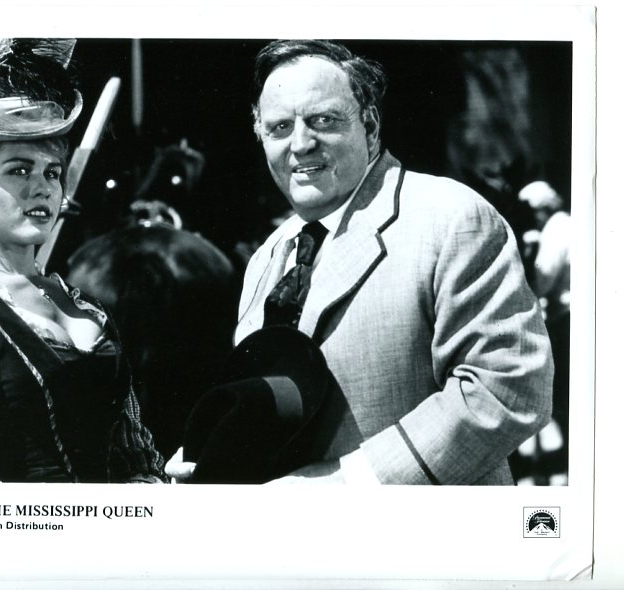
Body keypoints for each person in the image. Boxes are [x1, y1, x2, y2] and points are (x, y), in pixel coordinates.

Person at [168, 40, 554, 485]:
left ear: (369, 125)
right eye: (279, 128)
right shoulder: (267, 257)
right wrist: (212, 457)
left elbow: (506, 387)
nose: (301, 144)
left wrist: (345, 484)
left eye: (323, 120)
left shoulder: (451, 217)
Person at [0, 38, 165, 483]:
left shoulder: (87, 306)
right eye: (19, 170)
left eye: (52, 173)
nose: (42, 187)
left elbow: (139, 457)